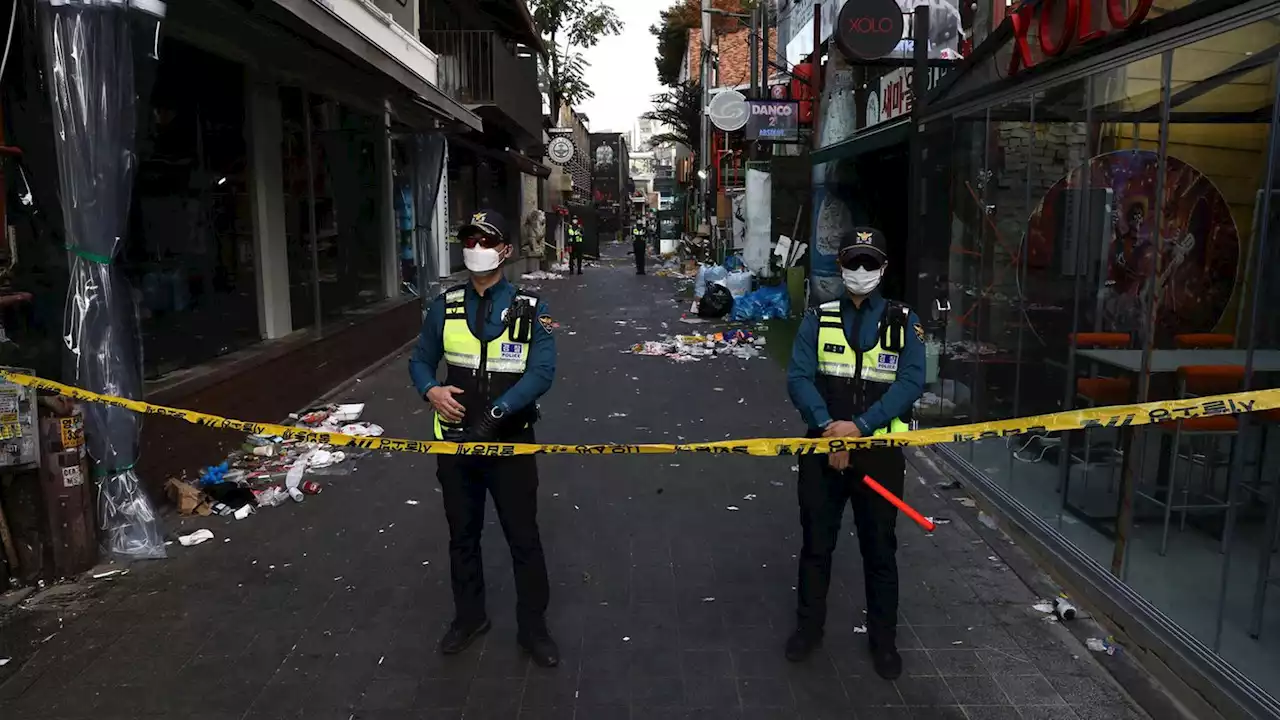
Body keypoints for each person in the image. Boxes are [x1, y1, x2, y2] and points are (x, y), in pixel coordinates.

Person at [408, 209, 560, 668]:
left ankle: (533, 630)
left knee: (523, 538)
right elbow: (419, 361)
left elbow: (542, 371)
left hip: (511, 443)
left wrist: (498, 412)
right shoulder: (445, 306)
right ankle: (468, 617)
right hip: (454, 445)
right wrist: (430, 390)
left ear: (505, 250)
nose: (476, 248)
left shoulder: (531, 309)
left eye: (486, 240)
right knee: (462, 536)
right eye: (469, 240)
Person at [784, 227, 926, 680]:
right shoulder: (818, 318)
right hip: (824, 450)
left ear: (883, 268)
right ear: (840, 266)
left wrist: (860, 428)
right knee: (816, 545)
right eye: (853, 262)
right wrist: (830, 428)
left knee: (879, 550)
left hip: (879, 454)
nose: (860, 271)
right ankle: (809, 629)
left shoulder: (904, 321)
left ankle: (884, 643)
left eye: (869, 263)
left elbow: (910, 383)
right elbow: (799, 378)